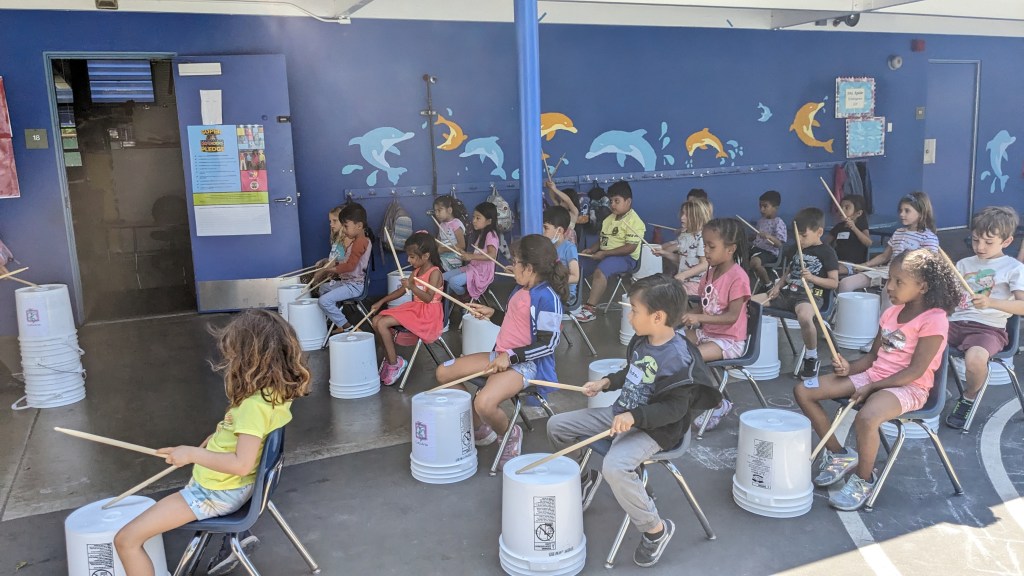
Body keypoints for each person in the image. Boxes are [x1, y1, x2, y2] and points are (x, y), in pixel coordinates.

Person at [114, 310, 311, 576]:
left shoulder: (253, 407)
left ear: (248, 357)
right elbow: (246, 436)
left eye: (233, 354)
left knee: (126, 540)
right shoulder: (274, 394)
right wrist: (215, 439)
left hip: (214, 494)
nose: (229, 360)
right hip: (231, 488)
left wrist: (191, 454)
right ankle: (232, 544)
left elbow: (241, 465)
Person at [546, 274, 721, 568]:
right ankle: (585, 480)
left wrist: (635, 416)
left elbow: (675, 410)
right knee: (557, 427)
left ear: (657, 317)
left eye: (634, 311)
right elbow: (633, 371)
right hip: (621, 414)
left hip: (656, 430)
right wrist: (606, 382)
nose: (629, 316)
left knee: (615, 467)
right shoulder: (643, 340)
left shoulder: (678, 359)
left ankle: (655, 530)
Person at [794, 249, 960, 510]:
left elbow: (915, 371)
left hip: (909, 387)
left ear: (923, 286)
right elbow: (873, 358)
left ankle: (864, 479)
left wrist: (873, 386)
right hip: (874, 377)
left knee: (867, 417)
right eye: (889, 279)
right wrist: (849, 368)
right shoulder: (891, 313)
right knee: (804, 390)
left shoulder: (934, 319)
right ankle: (839, 454)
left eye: (898, 281)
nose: (889, 286)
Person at [434, 235, 568, 469]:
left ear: (529, 268)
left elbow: (549, 343)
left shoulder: (548, 297)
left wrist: (512, 356)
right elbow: (516, 322)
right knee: (444, 373)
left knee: (484, 402)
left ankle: (509, 433)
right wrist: (492, 313)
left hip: (526, 365)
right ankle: (481, 427)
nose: (511, 267)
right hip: (501, 355)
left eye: (515, 262)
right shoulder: (521, 288)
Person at [945, 207, 1024, 429]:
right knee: (918, 343)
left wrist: (991, 303)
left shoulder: (1014, 268)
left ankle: (969, 397)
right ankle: (927, 391)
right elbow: (951, 298)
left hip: (988, 329)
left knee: (975, 360)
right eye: (975, 240)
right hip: (954, 323)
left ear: (1006, 241)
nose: (980, 247)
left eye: (988, 242)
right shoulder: (963, 264)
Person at [753, 208, 839, 379]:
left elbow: (834, 282)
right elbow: (788, 272)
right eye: (796, 235)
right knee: (750, 303)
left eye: (803, 235)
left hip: (810, 296)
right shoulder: (797, 249)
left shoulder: (827, 252)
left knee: (805, 317)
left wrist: (813, 278)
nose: (799, 239)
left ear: (819, 232)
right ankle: (748, 347)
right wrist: (777, 286)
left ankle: (811, 358)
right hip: (787, 294)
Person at [681, 218, 751, 431]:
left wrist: (699, 319)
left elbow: (732, 317)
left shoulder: (738, 277)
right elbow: (703, 307)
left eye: (711, 247)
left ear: (730, 249)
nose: (706, 251)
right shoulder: (710, 273)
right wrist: (682, 317)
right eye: (705, 245)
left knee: (690, 357)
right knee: (672, 345)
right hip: (708, 334)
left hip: (729, 341)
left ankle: (719, 404)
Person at [838, 191, 938, 311]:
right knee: (845, 283)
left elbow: (928, 266)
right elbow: (884, 256)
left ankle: (884, 322)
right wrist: (865, 265)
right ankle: (844, 317)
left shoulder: (928, 237)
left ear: (921, 213)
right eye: (900, 210)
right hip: (886, 270)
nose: (902, 214)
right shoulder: (898, 232)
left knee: (887, 291)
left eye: (907, 211)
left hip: (907, 277)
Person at [371, 232, 445, 386]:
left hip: (428, 314)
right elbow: (401, 291)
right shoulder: (416, 271)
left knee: (383, 323)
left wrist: (411, 286)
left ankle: (395, 364)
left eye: (412, 257)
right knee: (376, 320)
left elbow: (428, 298)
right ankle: (389, 358)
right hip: (416, 309)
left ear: (426, 256)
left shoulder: (435, 272)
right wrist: (381, 301)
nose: (408, 260)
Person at [574, 180, 645, 322]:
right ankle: (572, 302)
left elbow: (630, 248)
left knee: (601, 270)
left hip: (627, 258)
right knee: (576, 265)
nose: (612, 204)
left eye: (617, 201)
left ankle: (590, 309)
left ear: (628, 201)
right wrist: (592, 249)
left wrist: (604, 253)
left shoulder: (635, 221)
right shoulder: (609, 218)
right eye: (611, 201)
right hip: (605, 255)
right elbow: (603, 240)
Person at [315, 203, 371, 333]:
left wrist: (326, 270)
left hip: (354, 286)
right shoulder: (354, 241)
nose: (344, 230)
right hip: (346, 283)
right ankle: (338, 320)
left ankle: (348, 327)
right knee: (323, 289)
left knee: (323, 301)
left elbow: (350, 266)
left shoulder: (360, 242)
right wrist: (328, 264)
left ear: (359, 226)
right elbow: (343, 261)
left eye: (346, 226)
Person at [653, 199, 712, 296]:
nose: (682, 217)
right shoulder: (684, 235)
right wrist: (665, 253)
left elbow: (705, 264)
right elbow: (683, 260)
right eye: (682, 213)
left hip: (698, 284)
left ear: (697, 217)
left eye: (687, 215)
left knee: (667, 294)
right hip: (684, 282)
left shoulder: (702, 237)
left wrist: (683, 275)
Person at [443, 202, 499, 301]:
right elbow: (477, 254)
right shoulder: (480, 234)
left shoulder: (491, 235)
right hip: (472, 268)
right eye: (473, 217)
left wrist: (471, 256)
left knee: (453, 282)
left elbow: (492, 255)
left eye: (478, 218)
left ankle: (465, 297)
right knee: (443, 277)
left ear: (489, 221)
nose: (474, 221)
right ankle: (463, 295)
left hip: (481, 273)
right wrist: (465, 253)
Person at [543, 205, 580, 310]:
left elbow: (575, 277)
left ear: (559, 230)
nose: (542, 231)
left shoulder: (569, 248)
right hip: (552, 290)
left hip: (565, 294)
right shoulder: (549, 247)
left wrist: (553, 281)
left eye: (546, 228)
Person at [825, 194, 872, 274]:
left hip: (853, 265)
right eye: (841, 207)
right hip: (838, 261)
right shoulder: (839, 227)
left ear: (858, 213)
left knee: (833, 271)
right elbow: (826, 243)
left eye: (846, 208)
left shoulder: (861, 226)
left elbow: (868, 243)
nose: (841, 210)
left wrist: (854, 228)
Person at [748, 190, 786, 289]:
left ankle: (768, 285)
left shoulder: (778, 222)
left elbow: (779, 244)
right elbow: (756, 237)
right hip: (756, 249)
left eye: (765, 206)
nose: (762, 209)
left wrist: (769, 236)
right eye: (760, 206)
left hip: (769, 252)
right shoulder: (761, 221)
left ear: (775, 208)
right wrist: (751, 237)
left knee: (755, 262)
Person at [432, 195, 467, 274]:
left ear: (449, 210)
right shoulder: (441, 224)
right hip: (443, 257)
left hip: (454, 258)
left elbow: (462, 245)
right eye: (435, 211)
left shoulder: (455, 224)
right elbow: (438, 242)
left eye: (439, 210)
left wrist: (443, 249)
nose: (436, 214)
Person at [544, 179, 581, 245]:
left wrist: (554, 189)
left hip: (569, 242)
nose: (561, 203)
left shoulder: (574, 212)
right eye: (560, 201)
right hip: (559, 240)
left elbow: (568, 200)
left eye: (563, 201)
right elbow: (553, 198)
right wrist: (550, 188)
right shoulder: (561, 211)